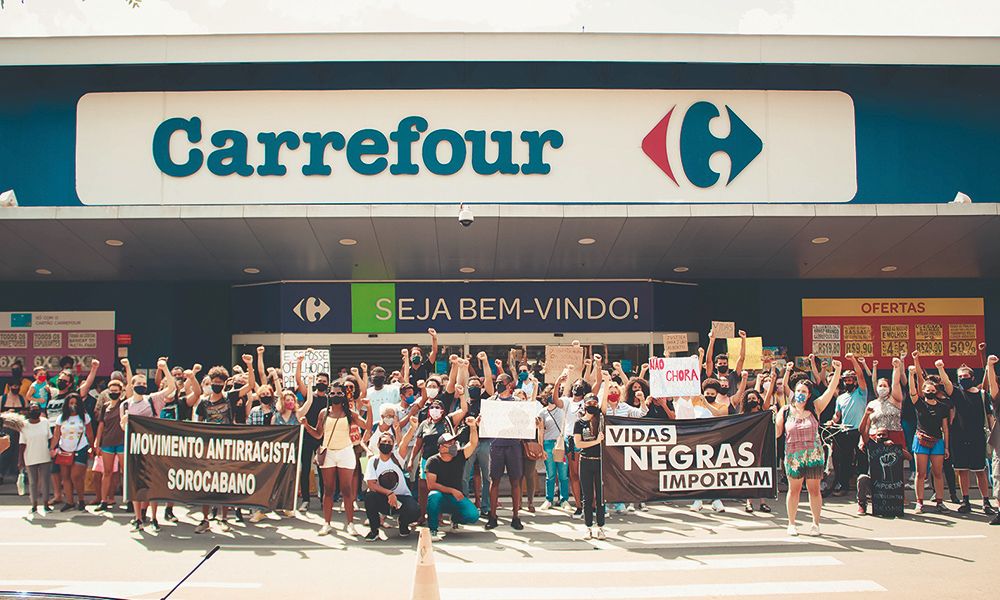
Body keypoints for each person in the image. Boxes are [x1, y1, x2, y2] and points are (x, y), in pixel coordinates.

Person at [775, 359, 843, 536]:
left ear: (809, 394)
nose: (800, 394)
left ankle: (815, 523)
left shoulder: (816, 408)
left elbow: (829, 391)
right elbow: (777, 433)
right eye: (798, 391)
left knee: (814, 490)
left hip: (813, 454)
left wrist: (837, 372)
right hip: (793, 455)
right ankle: (791, 523)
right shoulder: (786, 410)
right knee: (794, 489)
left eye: (804, 391)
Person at [300, 379, 372, 537]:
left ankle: (351, 524)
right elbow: (318, 434)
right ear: (328, 395)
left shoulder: (350, 413)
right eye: (332, 393)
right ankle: (326, 523)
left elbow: (366, 426)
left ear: (344, 395)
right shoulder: (323, 413)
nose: (336, 395)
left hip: (346, 452)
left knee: (347, 490)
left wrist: (370, 407)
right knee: (328, 490)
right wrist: (306, 425)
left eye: (339, 393)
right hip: (328, 453)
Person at [120, 358, 177, 531]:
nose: (142, 385)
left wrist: (165, 368)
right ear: (132, 384)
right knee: (136, 486)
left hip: (152, 448)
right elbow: (124, 428)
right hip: (134, 449)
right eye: (139, 383)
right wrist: (124, 422)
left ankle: (153, 518)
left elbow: (171, 388)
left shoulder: (152, 400)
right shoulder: (125, 405)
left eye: (145, 383)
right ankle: (138, 519)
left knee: (153, 485)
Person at [934, 359, 995, 515]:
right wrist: (941, 367)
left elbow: (990, 417)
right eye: (960, 376)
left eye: (965, 376)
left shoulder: (982, 395)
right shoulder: (956, 392)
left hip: (977, 437)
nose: (963, 379)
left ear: (972, 377)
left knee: (980, 471)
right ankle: (965, 500)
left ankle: (986, 501)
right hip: (959, 437)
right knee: (962, 470)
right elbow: (946, 383)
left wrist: (994, 437)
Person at [856, 357, 906, 515]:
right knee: (875, 469)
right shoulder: (872, 404)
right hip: (874, 437)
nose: (882, 388)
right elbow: (865, 426)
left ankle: (898, 496)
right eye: (880, 386)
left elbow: (897, 382)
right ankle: (866, 500)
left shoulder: (895, 400)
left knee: (896, 468)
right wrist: (861, 440)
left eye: (885, 385)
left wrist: (897, 368)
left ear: (889, 388)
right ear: (876, 388)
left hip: (895, 434)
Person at [425, 417, 482, 539]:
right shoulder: (433, 461)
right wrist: (451, 490)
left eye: (453, 443)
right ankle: (433, 530)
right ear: (440, 447)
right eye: (449, 444)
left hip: (457, 498)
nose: (453, 445)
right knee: (433, 496)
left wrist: (473, 427)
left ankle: (455, 520)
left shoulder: (459, 456)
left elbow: (472, 444)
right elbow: (431, 485)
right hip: (441, 497)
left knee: (473, 515)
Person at [362, 425, 419, 541]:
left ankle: (403, 524)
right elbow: (371, 484)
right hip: (383, 498)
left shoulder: (397, 457)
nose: (386, 444)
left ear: (393, 445)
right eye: (384, 441)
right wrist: (389, 493)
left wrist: (413, 427)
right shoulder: (373, 461)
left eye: (389, 442)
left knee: (415, 510)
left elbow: (405, 441)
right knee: (369, 496)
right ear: (378, 445)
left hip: (402, 498)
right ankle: (374, 530)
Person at [908, 364, 951, 514]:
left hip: (938, 441)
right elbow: (912, 391)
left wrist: (946, 447)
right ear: (923, 391)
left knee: (938, 473)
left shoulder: (943, 406)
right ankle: (919, 502)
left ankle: (940, 501)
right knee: (921, 473)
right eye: (928, 390)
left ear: (936, 391)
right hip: (921, 439)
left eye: (933, 390)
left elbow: (945, 428)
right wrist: (911, 374)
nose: (931, 392)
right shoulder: (919, 403)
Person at [485, 372, 526, 530]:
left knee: (515, 480)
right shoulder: (491, 401)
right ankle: (493, 516)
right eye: (497, 382)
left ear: (509, 385)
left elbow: (524, 422)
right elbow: (486, 422)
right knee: (494, 480)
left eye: (501, 382)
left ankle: (516, 516)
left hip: (513, 444)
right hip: (496, 444)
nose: (498, 384)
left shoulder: (517, 402)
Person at [575, 370, 610, 540]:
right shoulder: (579, 422)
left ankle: (601, 526)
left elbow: (604, 400)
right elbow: (578, 444)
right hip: (586, 461)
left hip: (600, 461)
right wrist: (596, 441)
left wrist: (606, 381)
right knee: (587, 496)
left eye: (594, 403)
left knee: (601, 496)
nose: (593, 405)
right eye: (590, 402)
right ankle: (588, 526)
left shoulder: (601, 417)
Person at [295, 353, 331, 512]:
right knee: (305, 467)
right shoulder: (310, 395)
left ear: (328, 384)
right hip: (307, 436)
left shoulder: (331, 399)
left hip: (323, 438)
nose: (321, 383)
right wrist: (299, 363)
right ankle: (306, 500)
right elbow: (298, 381)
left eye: (324, 381)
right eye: (319, 381)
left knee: (323, 469)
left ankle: (324, 499)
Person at [828, 354, 868, 497]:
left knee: (863, 460)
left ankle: (864, 489)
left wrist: (852, 360)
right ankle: (843, 486)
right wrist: (832, 421)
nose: (848, 382)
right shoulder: (840, 398)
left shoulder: (861, 393)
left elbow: (861, 375)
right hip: (845, 431)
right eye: (846, 380)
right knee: (845, 461)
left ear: (855, 382)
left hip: (860, 431)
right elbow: (837, 415)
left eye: (851, 380)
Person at [49, 392, 94, 512]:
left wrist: (93, 448)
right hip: (64, 449)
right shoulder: (61, 418)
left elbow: (89, 434)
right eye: (70, 403)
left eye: (75, 403)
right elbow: (56, 435)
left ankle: (81, 499)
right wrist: (52, 449)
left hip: (81, 448)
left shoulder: (84, 417)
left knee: (76, 476)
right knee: (66, 477)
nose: (73, 405)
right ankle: (69, 501)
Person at [538, 374, 569, 512]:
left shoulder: (562, 408)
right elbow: (540, 431)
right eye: (549, 393)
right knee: (550, 474)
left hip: (561, 444)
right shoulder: (542, 412)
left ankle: (564, 499)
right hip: (548, 444)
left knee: (563, 474)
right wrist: (541, 448)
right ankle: (548, 499)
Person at [17, 404, 51, 514]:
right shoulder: (24, 425)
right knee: (33, 482)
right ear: (28, 411)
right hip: (30, 456)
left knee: (45, 481)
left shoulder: (45, 422)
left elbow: (50, 438)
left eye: (36, 409)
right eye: (32, 409)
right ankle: (34, 505)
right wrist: (20, 460)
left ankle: (46, 504)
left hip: (45, 455)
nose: (34, 411)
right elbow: (22, 444)